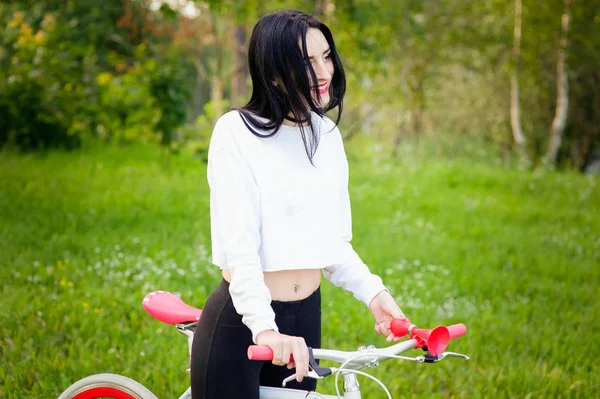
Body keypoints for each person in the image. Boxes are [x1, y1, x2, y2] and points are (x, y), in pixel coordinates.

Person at [190, 9, 407, 399]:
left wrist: (375, 295)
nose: (324, 72)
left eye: (327, 57)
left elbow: (333, 242)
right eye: (307, 63)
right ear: (274, 72)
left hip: (306, 316)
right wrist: (266, 329)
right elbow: (240, 249)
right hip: (243, 321)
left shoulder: (326, 135)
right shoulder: (235, 133)